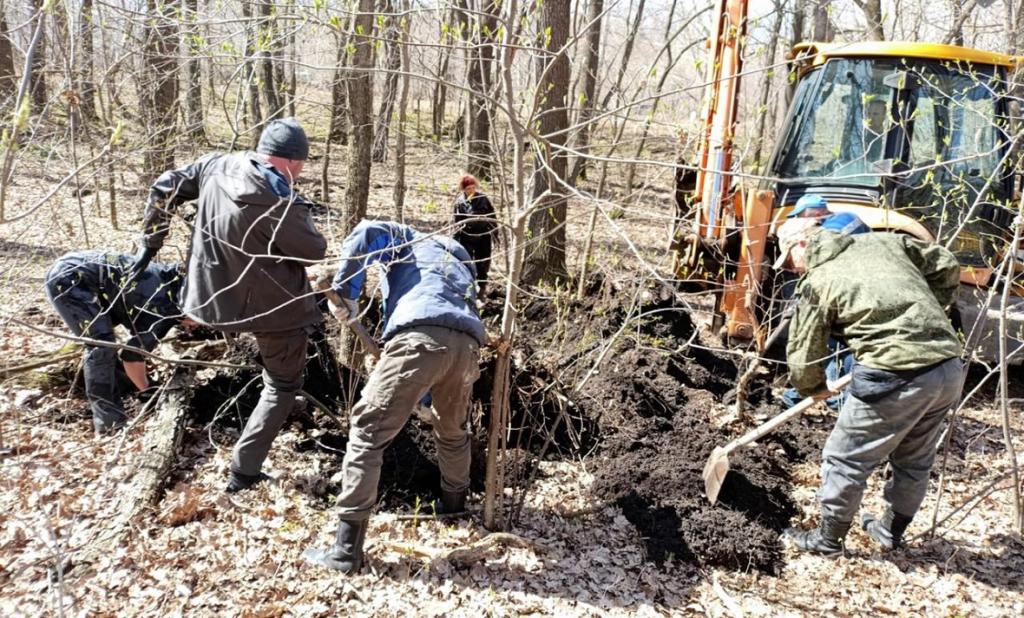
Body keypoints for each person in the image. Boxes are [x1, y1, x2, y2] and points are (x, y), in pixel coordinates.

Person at [134, 117, 328, 493]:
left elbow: (165, 185)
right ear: (290, 161)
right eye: (301, 165)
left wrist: (151, 240)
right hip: (273, 311)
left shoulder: (216, 165)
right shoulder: (280, 200)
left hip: (207, 301)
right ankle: (244, 471)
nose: (300, 173)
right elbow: (314, 250)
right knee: (283, 385)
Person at [303, 221, 486, 574]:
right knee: (451, 432)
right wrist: (426, 397)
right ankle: (454, 507)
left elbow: (367, 232)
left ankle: (344, 552)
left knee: (368, 432)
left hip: (418, 334)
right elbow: (453, 321)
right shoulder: (461, 263)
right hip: (467, 348)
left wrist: (347, 294)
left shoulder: (408, 240)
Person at [774, 217, 963, 556]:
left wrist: (813, 387)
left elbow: (803, 353)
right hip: (947, 367)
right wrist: (929, 311)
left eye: (789, 259)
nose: (792, 268)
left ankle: (828, 541)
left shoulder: (821, 279)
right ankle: (890, 531)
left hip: (895, 372)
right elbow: (946, 263)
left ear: (802, 245)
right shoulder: (886, 243)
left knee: (845, 458)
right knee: (914, 459)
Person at [44, 251, 188, 434]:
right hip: (71, 278)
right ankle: (109, 424)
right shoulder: (164, 309)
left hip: (85, 273)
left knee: (105, 340)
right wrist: (149, 390)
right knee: (101, 345)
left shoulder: (172, 282)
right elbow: (131, 355)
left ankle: (123, 387)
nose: (194, 326)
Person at [779, 194, 869, 410]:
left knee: (839, 346)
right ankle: (827, 394)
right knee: (836, 344)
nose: (801, 222)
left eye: (801, 217)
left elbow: (827, 262)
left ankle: (836, 399)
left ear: (816, 213)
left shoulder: (835, 227)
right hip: (852, 296)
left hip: (851, 299)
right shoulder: (840, 223)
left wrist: (811, 296)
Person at [452, 174, 497, 296]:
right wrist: (455, 240)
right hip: (467, 237)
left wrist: (495, 234)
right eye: (468, 189)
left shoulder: (483, 199)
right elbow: (457, 222)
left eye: (473, 187)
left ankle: (482, 288)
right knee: (466, 263)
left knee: (482, 264)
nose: (471, 190)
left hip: (483, 237)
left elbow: (492, 217)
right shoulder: (459, 203)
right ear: (463, 189)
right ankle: (467, 289)